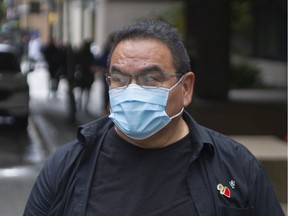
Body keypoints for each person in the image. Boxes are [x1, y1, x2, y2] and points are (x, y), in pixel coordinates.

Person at [24, 19, 284, 216]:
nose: (133, 90)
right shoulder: (67, 165)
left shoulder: (234, 165)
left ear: (186, 88)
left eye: (151, 79)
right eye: (120, 79)